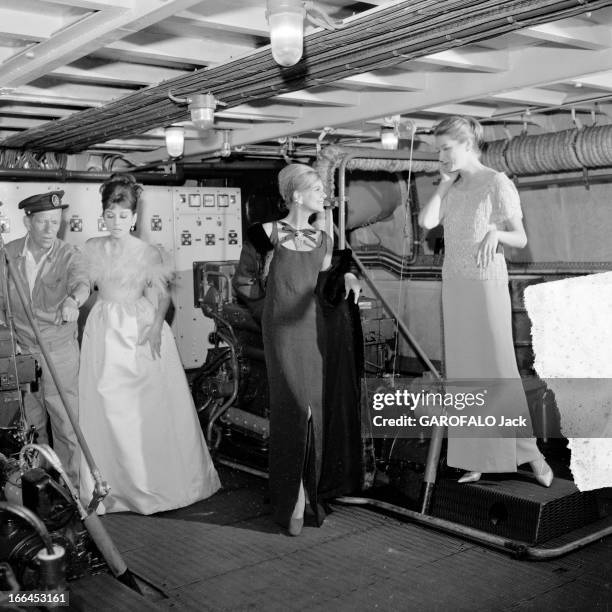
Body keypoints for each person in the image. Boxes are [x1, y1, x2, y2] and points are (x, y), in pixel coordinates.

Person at [418, 116, 553, 487]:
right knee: (464, 374)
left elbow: (521, 238)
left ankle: (531, 455)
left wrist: (497, 231)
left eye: (446, 148)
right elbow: (427, 221)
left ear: (467, 144)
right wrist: (444, 186)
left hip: (486, 284)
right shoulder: (453, 186)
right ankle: (477, 457)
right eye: (438, 151)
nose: (441, 156)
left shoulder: (497, 183)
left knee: (498, 371)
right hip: (456, 286)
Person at [233, 163, 363, 536]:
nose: (324, 195)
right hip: (281, 333)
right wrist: (267, 314)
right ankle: (291, 499)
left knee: (313, 413)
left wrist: (349, 274)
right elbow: (244, 281)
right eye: (317, 190)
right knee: (292, 410)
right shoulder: (265, 233)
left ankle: (308, 494)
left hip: (313, 334)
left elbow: (329, 278)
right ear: (296, 196)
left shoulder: (324, 238)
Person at [78, 174, 220, 514]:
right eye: (110, 215)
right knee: (105, 404)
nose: (116, 221)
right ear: (103, 214)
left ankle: (150, 486)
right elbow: (84, 281)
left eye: (123, 215)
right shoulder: (92, 247)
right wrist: (76, 297)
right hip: (103, 329)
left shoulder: (148, 252)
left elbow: (163, 295)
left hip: (138, 328)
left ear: (134, 218)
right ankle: (109, 488)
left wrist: (156, 326)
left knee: (144, 408)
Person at [0, 191, 89, 485]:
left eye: (56, 222)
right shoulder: (9, 255)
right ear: (28, 222)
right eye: (44, 223)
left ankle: (71, 492)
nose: (52, 229)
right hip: (22, 352)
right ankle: (37, 486)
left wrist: (72, 302)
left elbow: (81, 282)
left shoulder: (69, 254)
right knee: (30, 425)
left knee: (65, 423)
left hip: (57, 351)